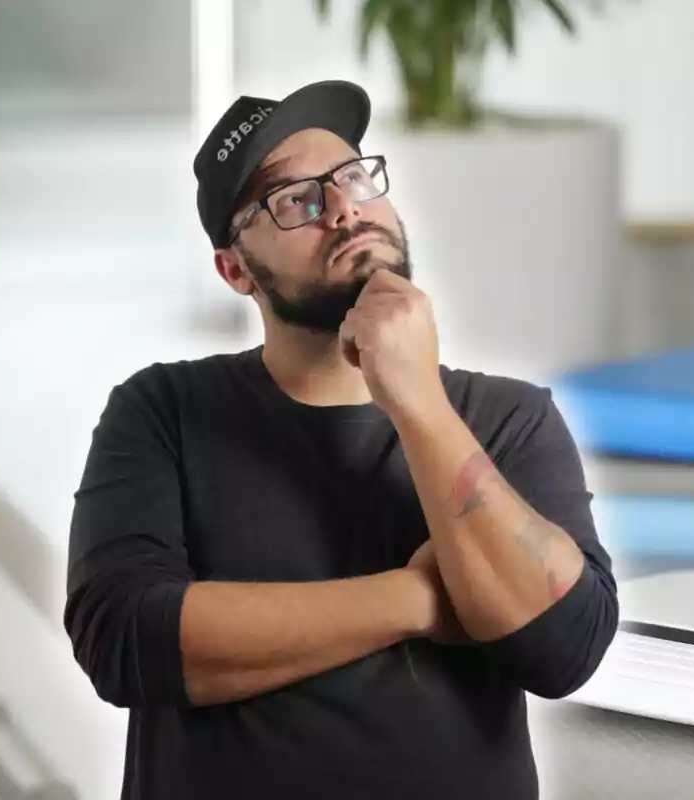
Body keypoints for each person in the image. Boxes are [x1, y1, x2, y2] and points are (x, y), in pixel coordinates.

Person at [63, 79, 620, 799]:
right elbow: (126, 638)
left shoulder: (508, 417)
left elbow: (565, 645)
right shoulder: (164, 409)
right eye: (296, 198)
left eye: (353, 176)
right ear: (235, 270)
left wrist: (418, 403)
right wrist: (419, 598)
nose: (345, 206)